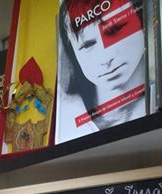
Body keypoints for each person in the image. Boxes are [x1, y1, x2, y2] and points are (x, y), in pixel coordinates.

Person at [56, 0, 146, 142]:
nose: (105, 57)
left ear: (142, 20)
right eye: (87, 45)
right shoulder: (68, 116)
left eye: (115, 30)